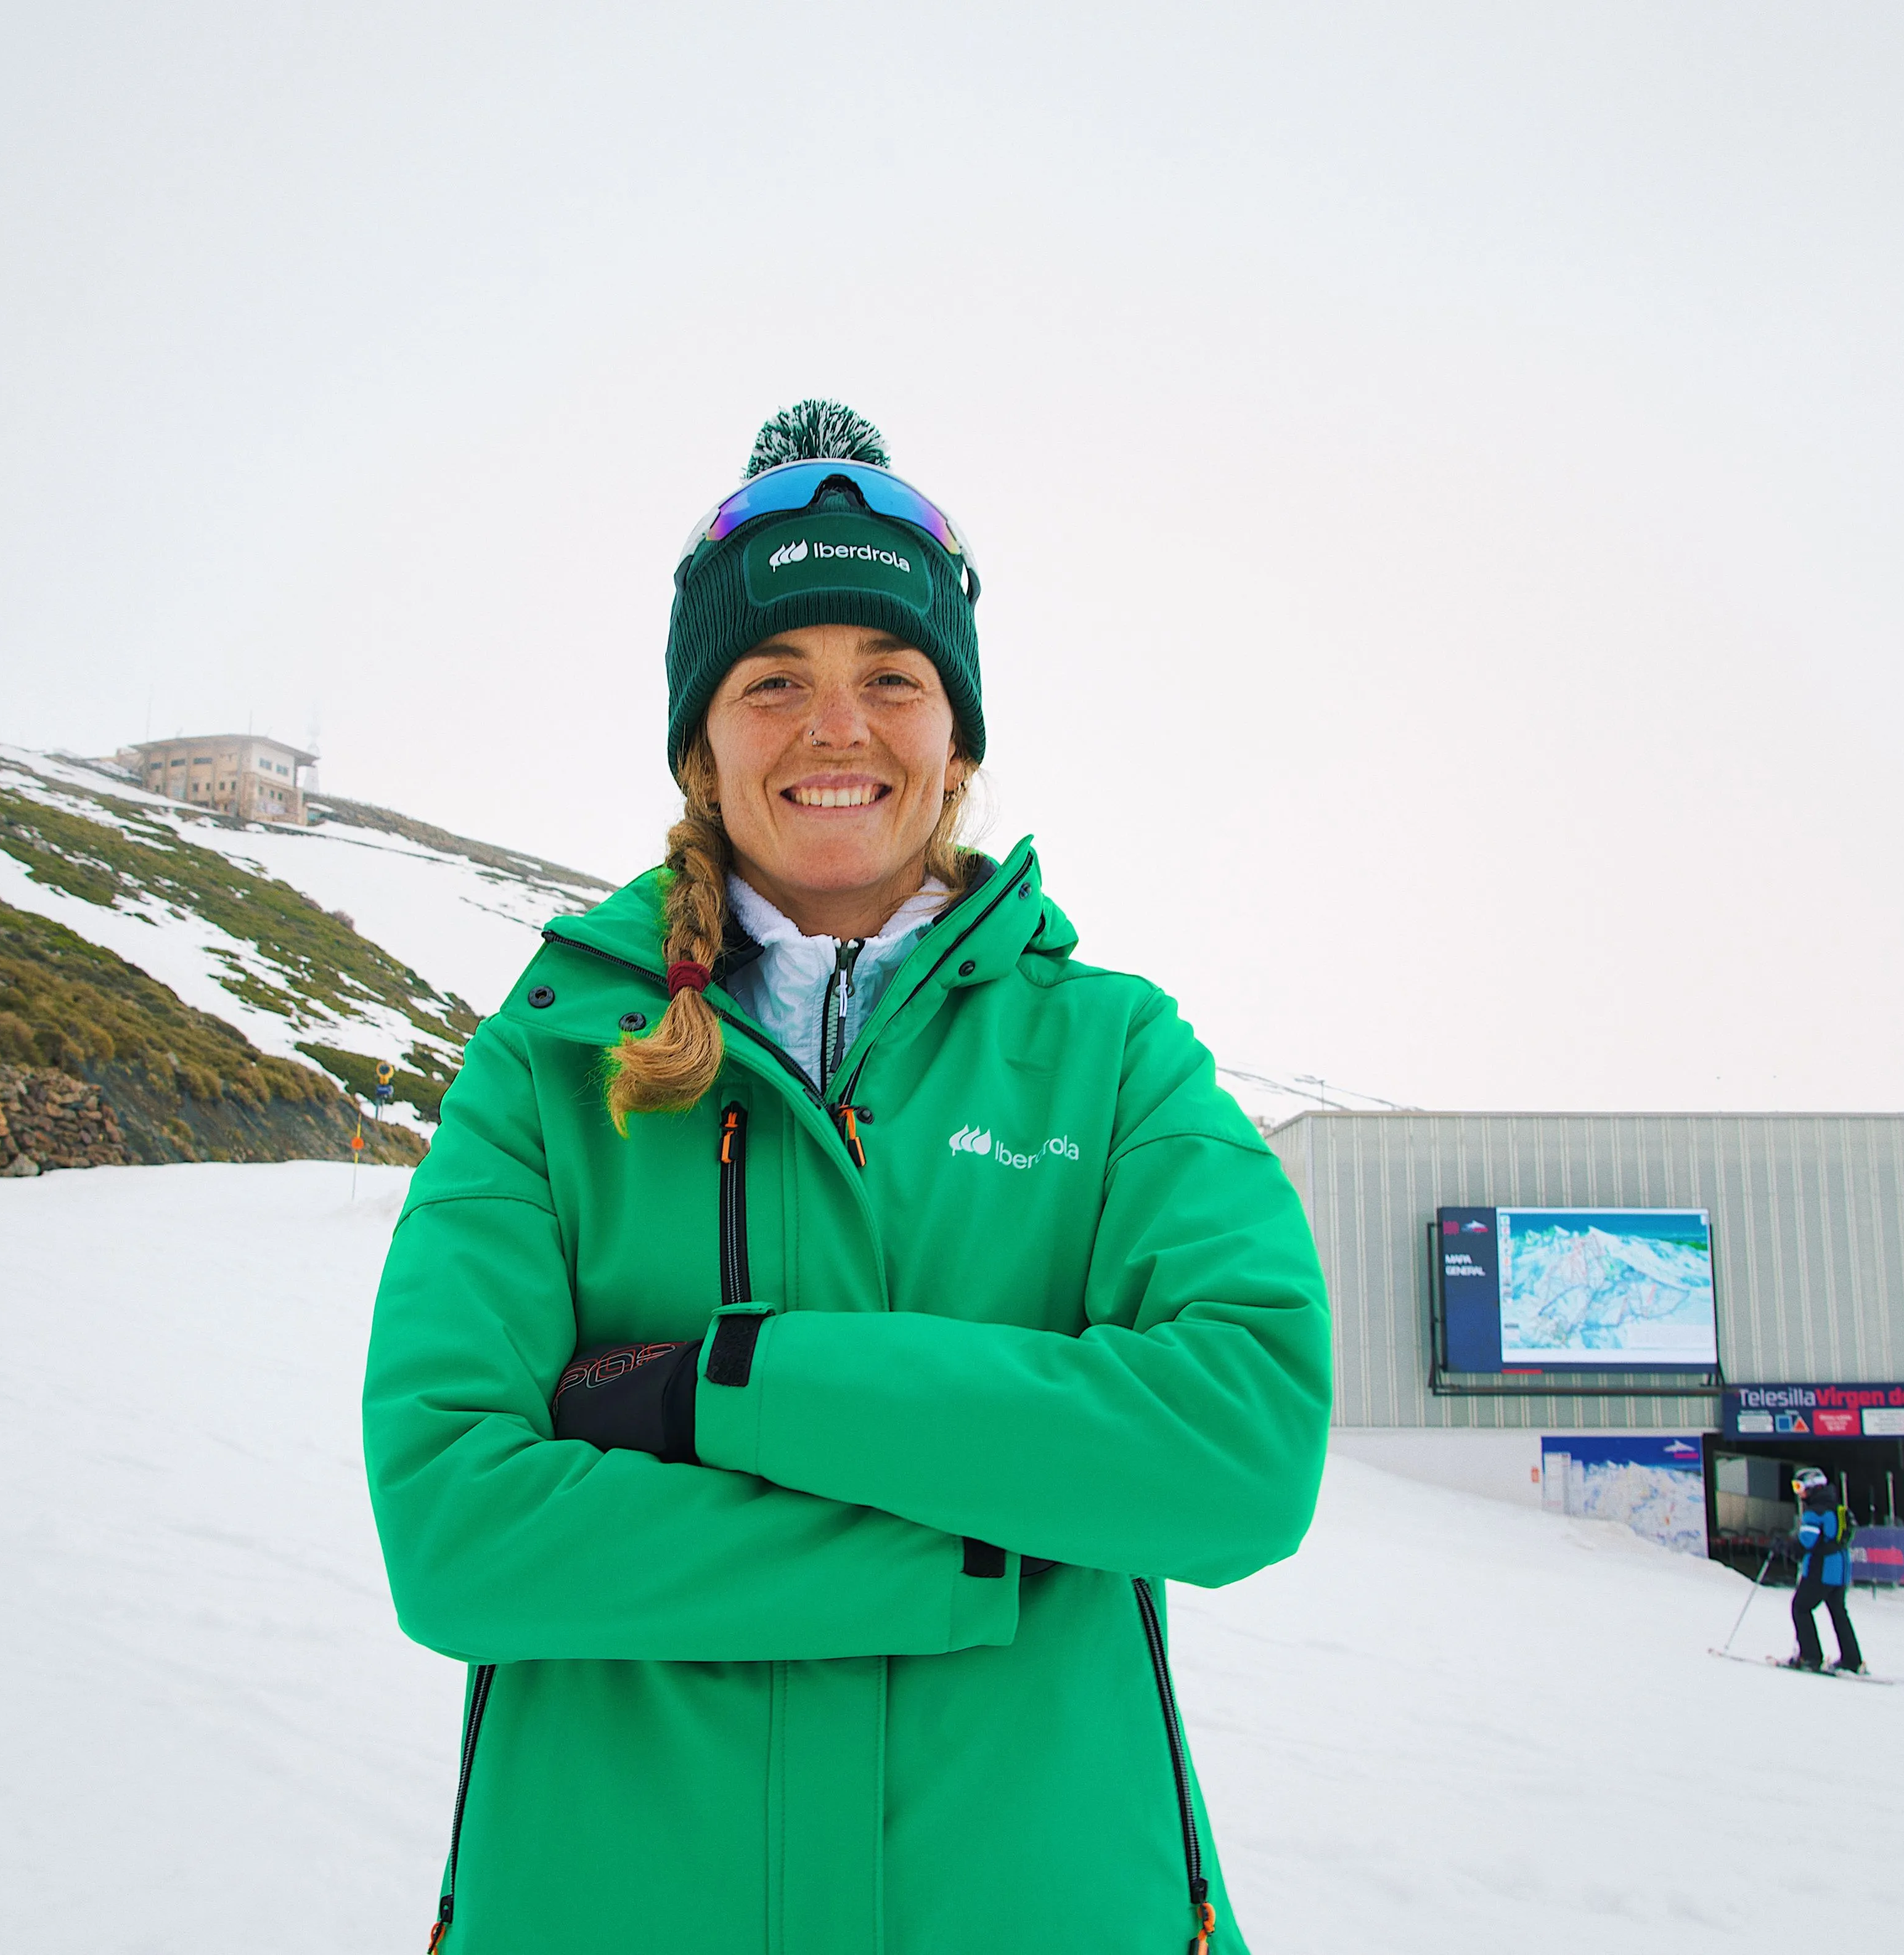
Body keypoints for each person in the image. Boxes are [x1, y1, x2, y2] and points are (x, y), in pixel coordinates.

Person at [361, 399, 1334, 1955]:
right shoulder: (548, 1062)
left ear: (957, 737)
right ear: (702, 742)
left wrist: (713, 1391)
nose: (837, 728)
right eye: (773, 680)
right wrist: (975, 1544)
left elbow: (1240, 1448)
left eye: (891, 676)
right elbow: (455, 1526)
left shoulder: (1112, 1055)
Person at [1788, 1464, 1864, 1673]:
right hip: (1841, 1571)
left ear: (1813, 1487)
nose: (1799, 1493)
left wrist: (1786, 1546)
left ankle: (1811, 1657)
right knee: (1838, 1612)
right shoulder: (1838, 1509)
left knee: (1801, 1608)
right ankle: (1852, 1660)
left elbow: (1807, 1543)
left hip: (1821, 1571)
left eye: (1800, 1487)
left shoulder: (1815, 1513)